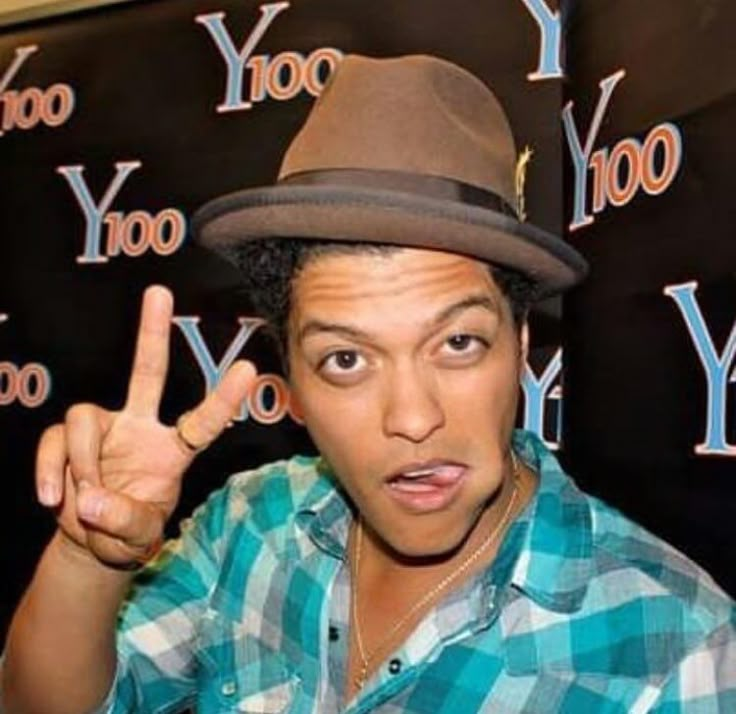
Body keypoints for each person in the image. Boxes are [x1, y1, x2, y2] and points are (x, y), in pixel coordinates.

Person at [2, 54, 734, 714]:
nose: (412, 419)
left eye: (457, 342)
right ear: (289, 379)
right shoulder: (250, 524)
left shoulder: (678, 648)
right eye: (346, 360)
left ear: (518, 347)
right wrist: (87, 556)